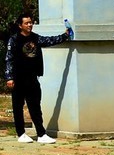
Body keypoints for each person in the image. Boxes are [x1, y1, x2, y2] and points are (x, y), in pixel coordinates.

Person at [4, 13, 70, 144]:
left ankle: (41, 134)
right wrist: (9, 77)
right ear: (20, 25)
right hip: (17, 78)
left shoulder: (35, 38)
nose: (30, 25)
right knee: (18, 106)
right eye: (26, 23)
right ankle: (21, 133)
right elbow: (9, 59)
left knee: (35, 106)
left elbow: (50, 40)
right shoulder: (14, 39)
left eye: (31, 22)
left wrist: (65, 35)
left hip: (32, 77)